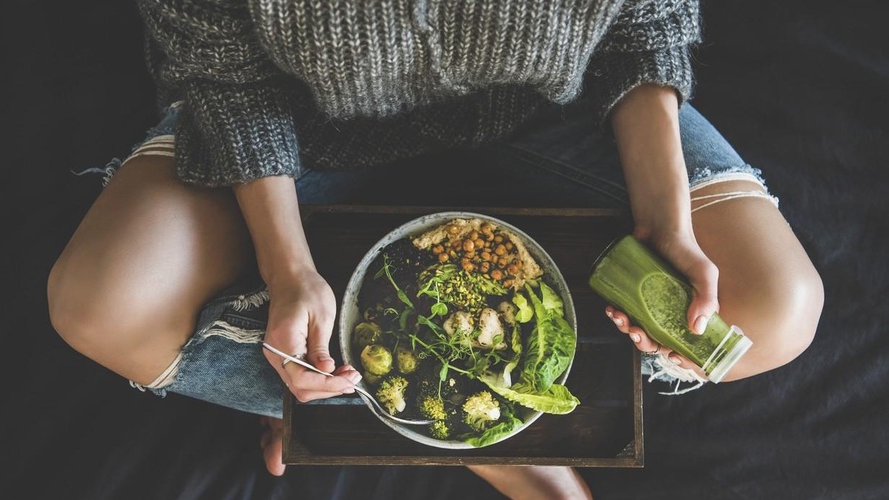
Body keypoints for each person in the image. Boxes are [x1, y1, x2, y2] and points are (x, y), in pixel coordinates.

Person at [47, 0, 824, 498]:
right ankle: (488, 441)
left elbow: (642, 26)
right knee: (100, 302)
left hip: (556, 109)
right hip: (291, 121)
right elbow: (226, 77)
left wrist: (667, 226)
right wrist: (289, 271)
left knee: (774, 310)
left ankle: (325, 400)